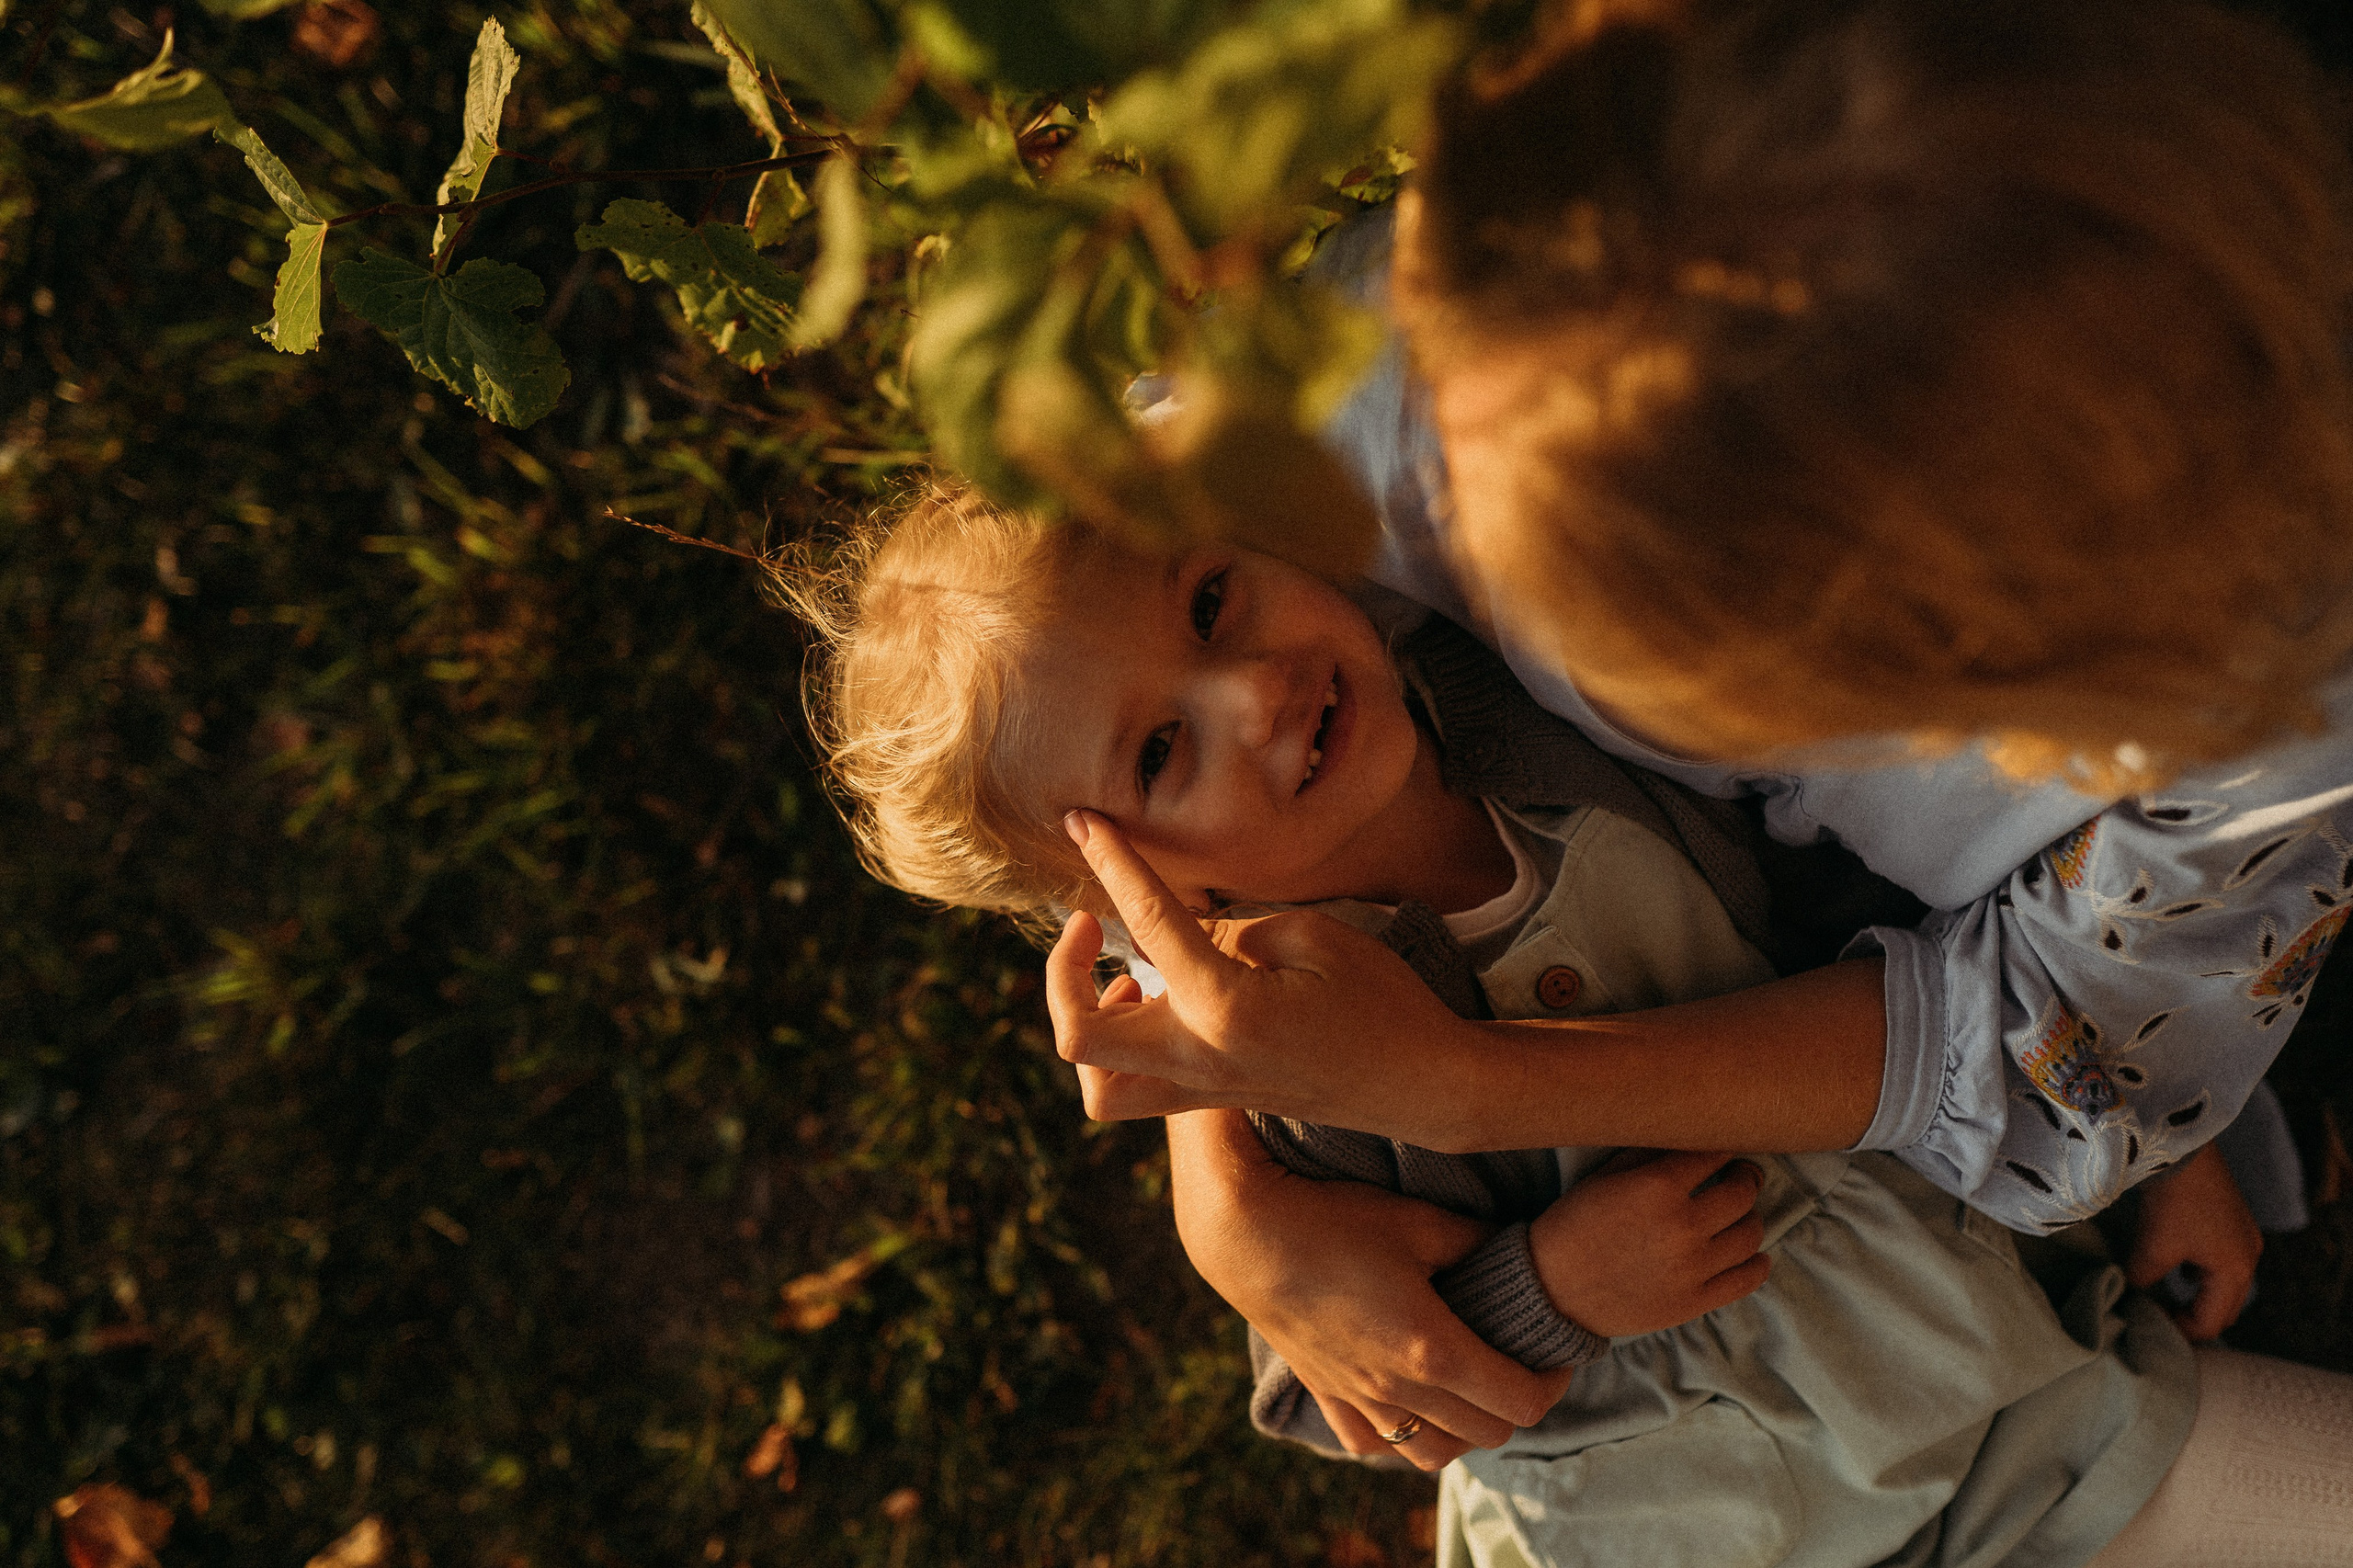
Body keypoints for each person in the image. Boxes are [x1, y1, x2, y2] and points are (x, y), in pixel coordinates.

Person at [1041, 0, 2353, 1506]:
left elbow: (2061, 1050)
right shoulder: (1415, 377)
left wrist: (1466, 1088)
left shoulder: (2277, 718)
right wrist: (1227, 1164)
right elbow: (1070, 672)